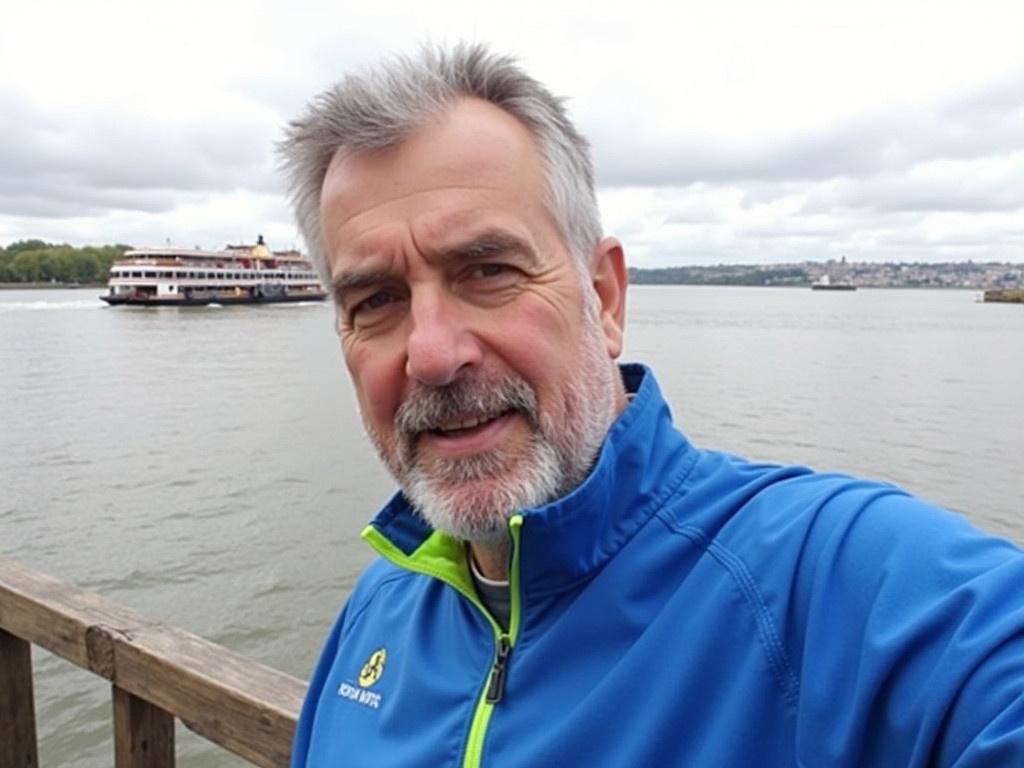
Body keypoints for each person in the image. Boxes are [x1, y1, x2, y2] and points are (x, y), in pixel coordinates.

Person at [278, 44, 1024, 767]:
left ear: (603, 298)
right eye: (377, 300)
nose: (434, 355)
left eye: (488, 270)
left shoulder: (825, 580)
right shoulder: (383, 604)